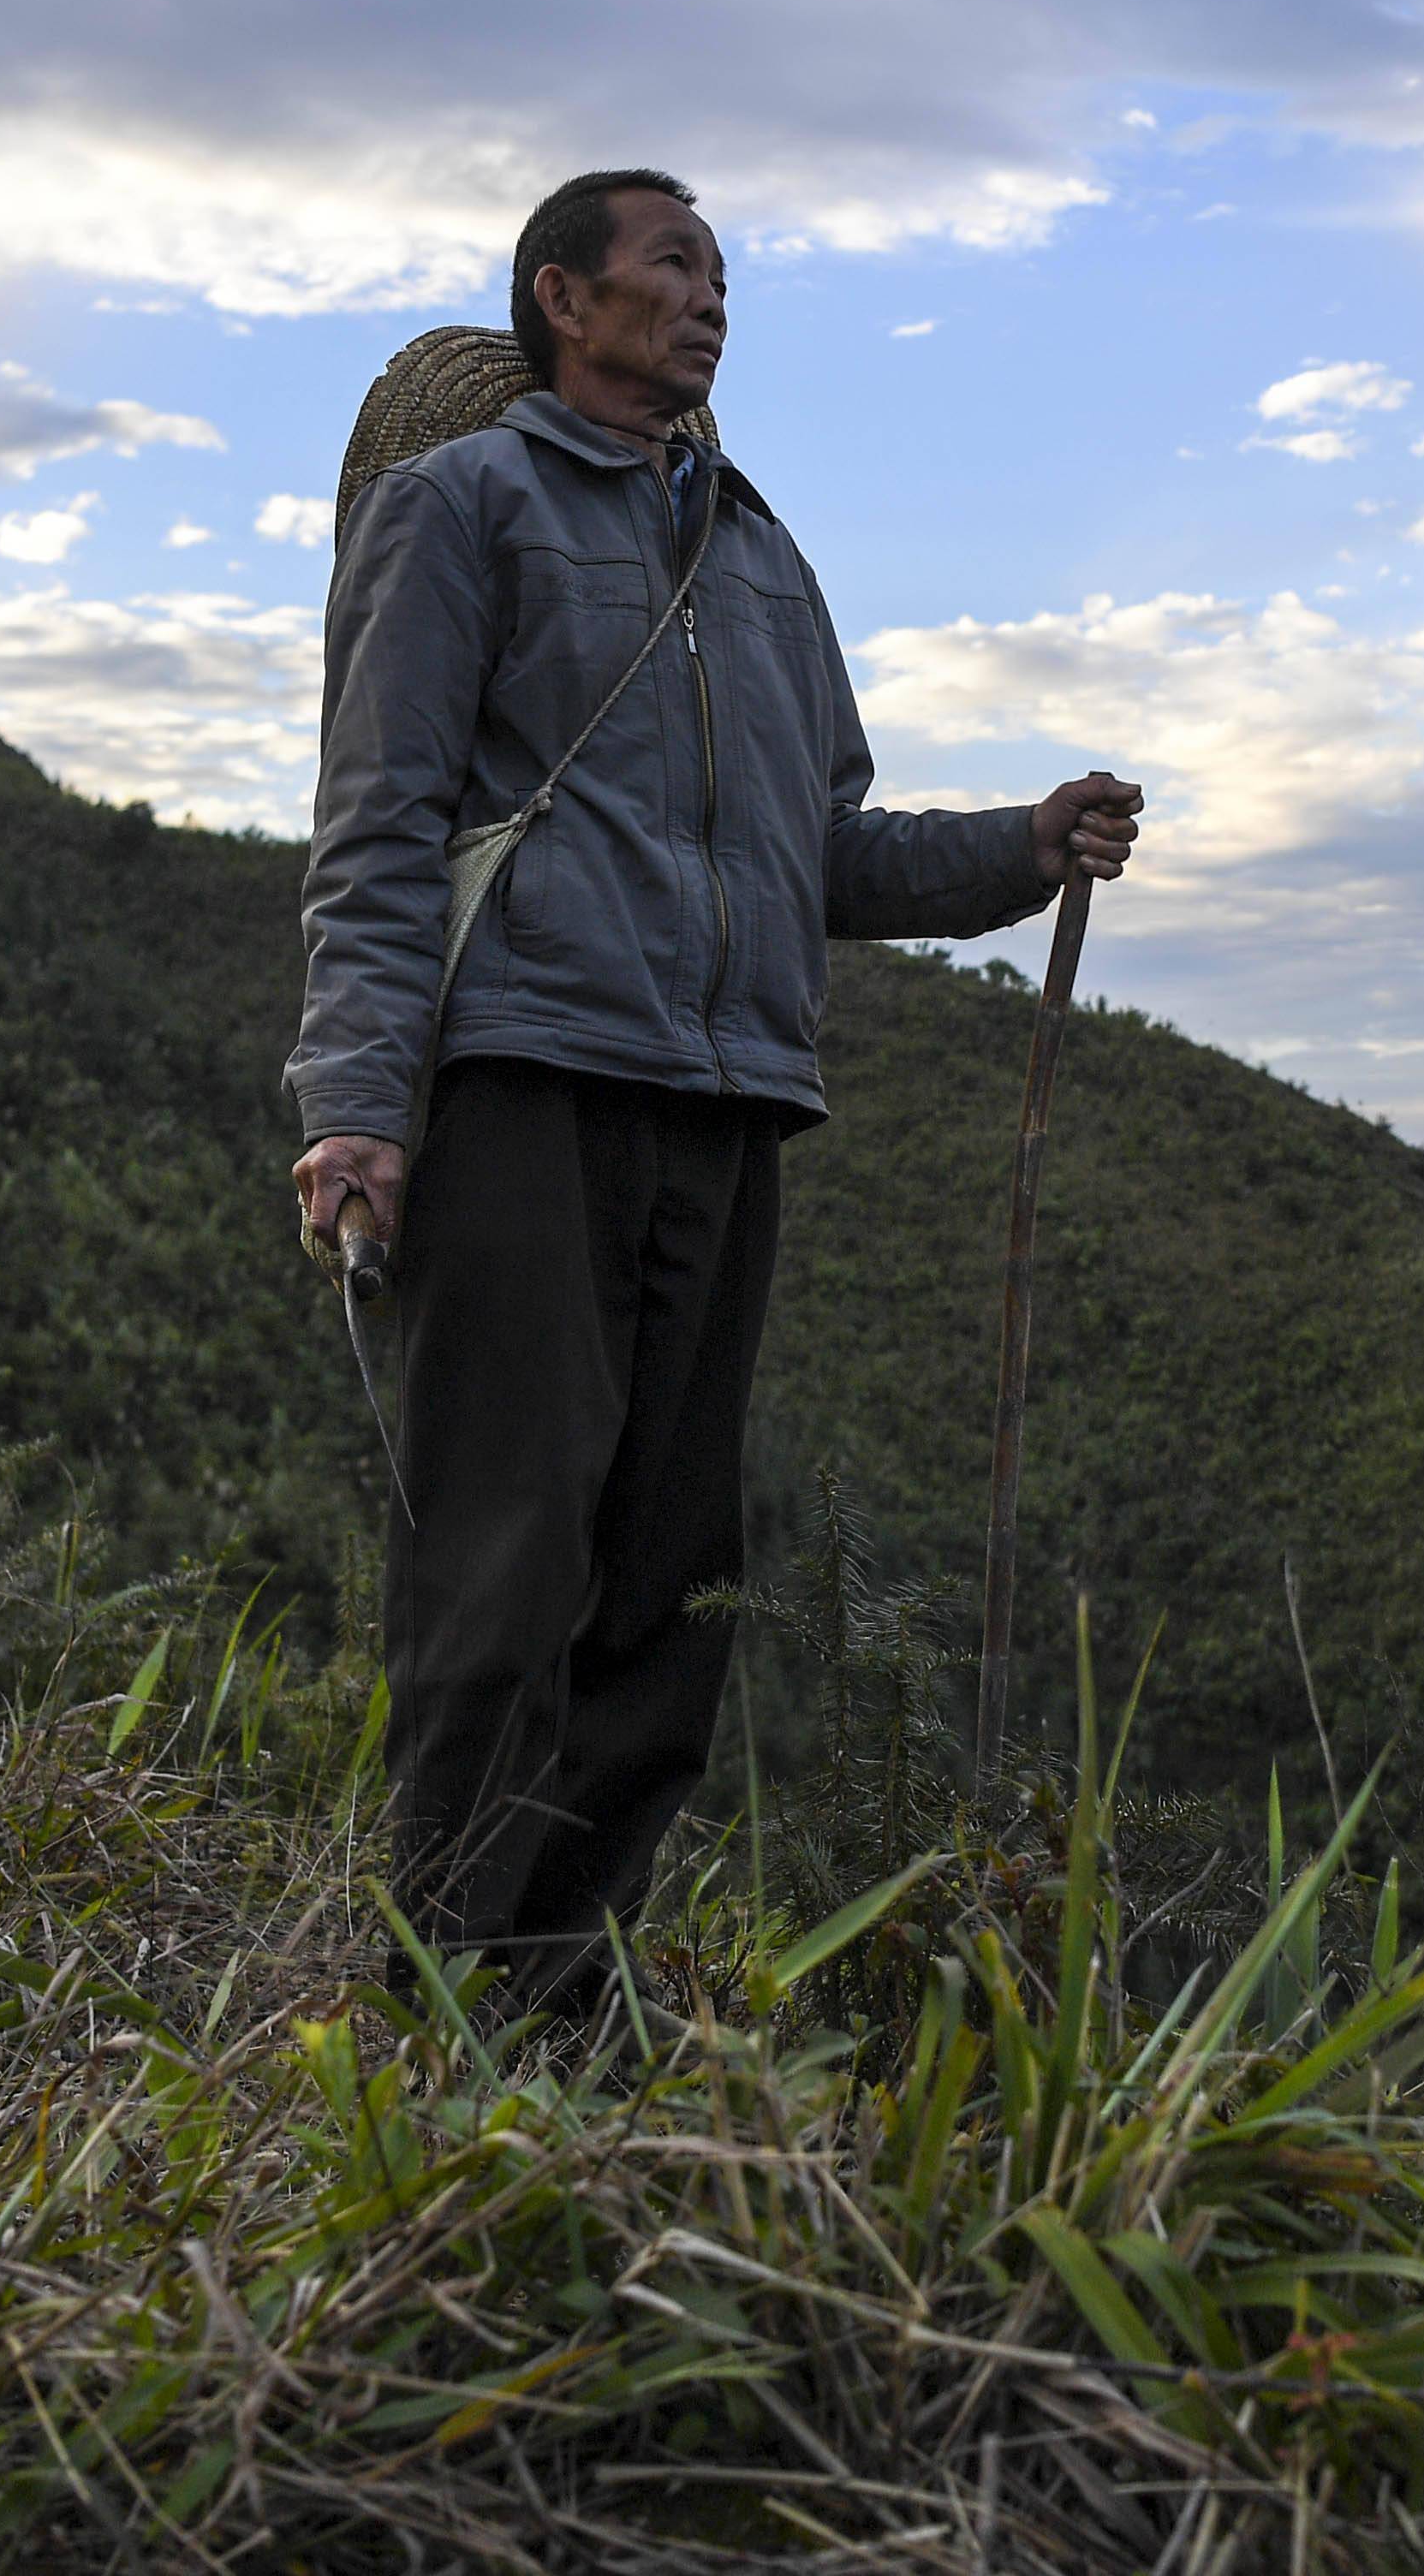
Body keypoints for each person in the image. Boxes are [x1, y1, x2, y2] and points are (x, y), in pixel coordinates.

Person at [288, 167, 1140, 2017]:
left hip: (727, 1103)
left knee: (668, 1580)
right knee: (504, 1566)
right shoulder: (463, 509)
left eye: (721, 273)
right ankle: (433, 1995)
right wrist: (362, 1099)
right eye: (672, 264)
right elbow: (380, 825)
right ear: (561, 298)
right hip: (521, 1084)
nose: (709, 297)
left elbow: (821, 850)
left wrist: (1025, 843)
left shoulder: (760, 561)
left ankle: (555, 1995)